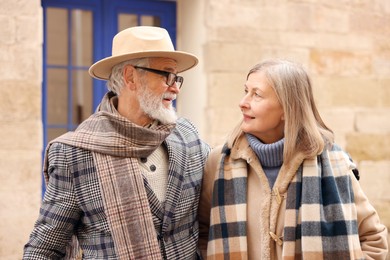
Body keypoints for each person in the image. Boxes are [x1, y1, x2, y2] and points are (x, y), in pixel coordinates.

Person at [23, 26, 210, 259]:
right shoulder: (75, 153)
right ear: (130, 76)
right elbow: (45, 247)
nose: (175, 88)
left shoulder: (188, 136)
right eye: (166, 75)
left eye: (177, 78)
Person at [198, 59, 388, 259]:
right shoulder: (219, 162)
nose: (243, 103)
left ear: (287, 108)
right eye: (245, 91)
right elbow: (202, 232)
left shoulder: (335, 163)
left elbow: (374, 239)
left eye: (257, 95)